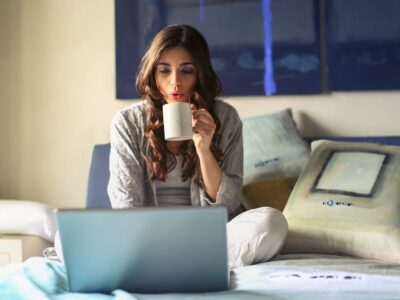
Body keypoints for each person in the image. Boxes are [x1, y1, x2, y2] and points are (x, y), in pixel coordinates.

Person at [107, 24, 288, 268]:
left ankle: (173, 264)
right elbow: (126, 204)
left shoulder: (225, 118)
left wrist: (204, 149)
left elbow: (228, 203)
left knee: (271, 222)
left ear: (200, 73)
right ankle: (188, 263)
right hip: (147, 238)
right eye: (164, 71)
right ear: (153, 74)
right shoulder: (128, 122)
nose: (175, 83)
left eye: (187, 71)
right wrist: (143, 240)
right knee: (65, 240)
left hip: (210, 238)